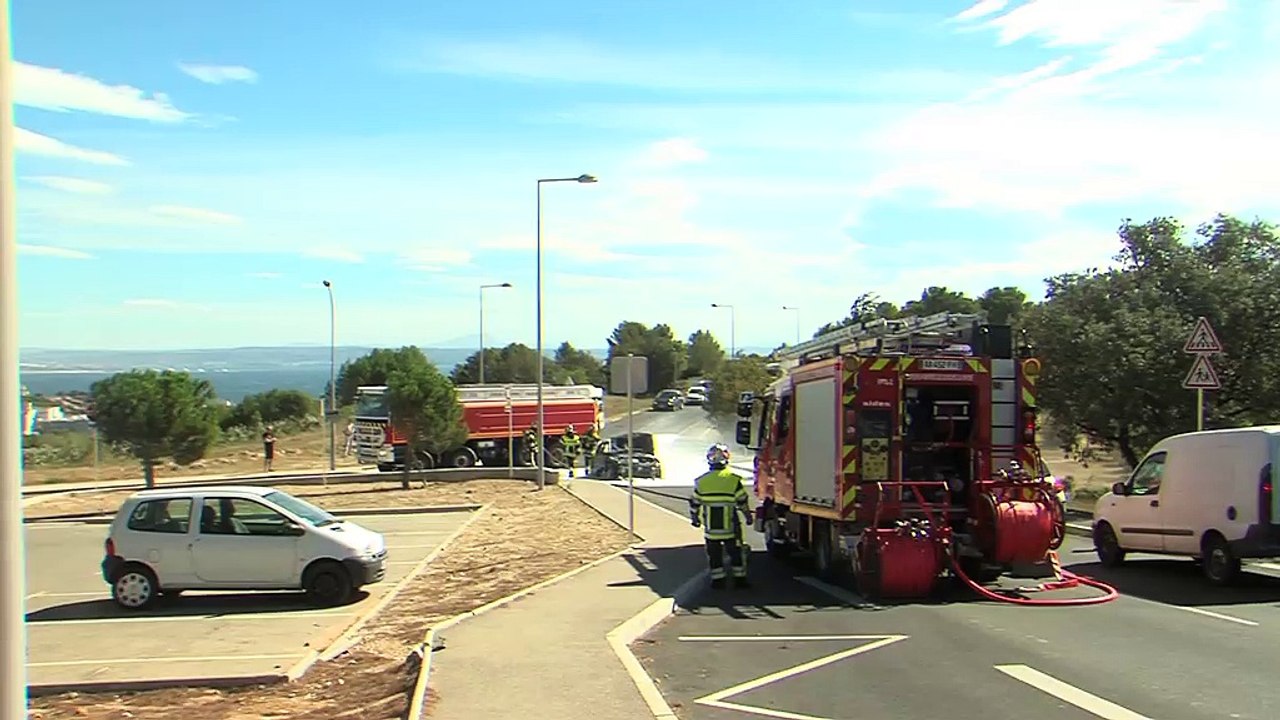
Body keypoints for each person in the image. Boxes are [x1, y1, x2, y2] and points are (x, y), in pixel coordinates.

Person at [689, 443, 751, 589]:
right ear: (727, 458)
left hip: (711, 529)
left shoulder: (701, 481)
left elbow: (694, 503)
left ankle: (718, 581)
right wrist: (748, 516)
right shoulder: (733, 479)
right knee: (735, 553)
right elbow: (742, 501)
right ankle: (740, 580)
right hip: (731, 527)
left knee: (714, 556)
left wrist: (695, 518)